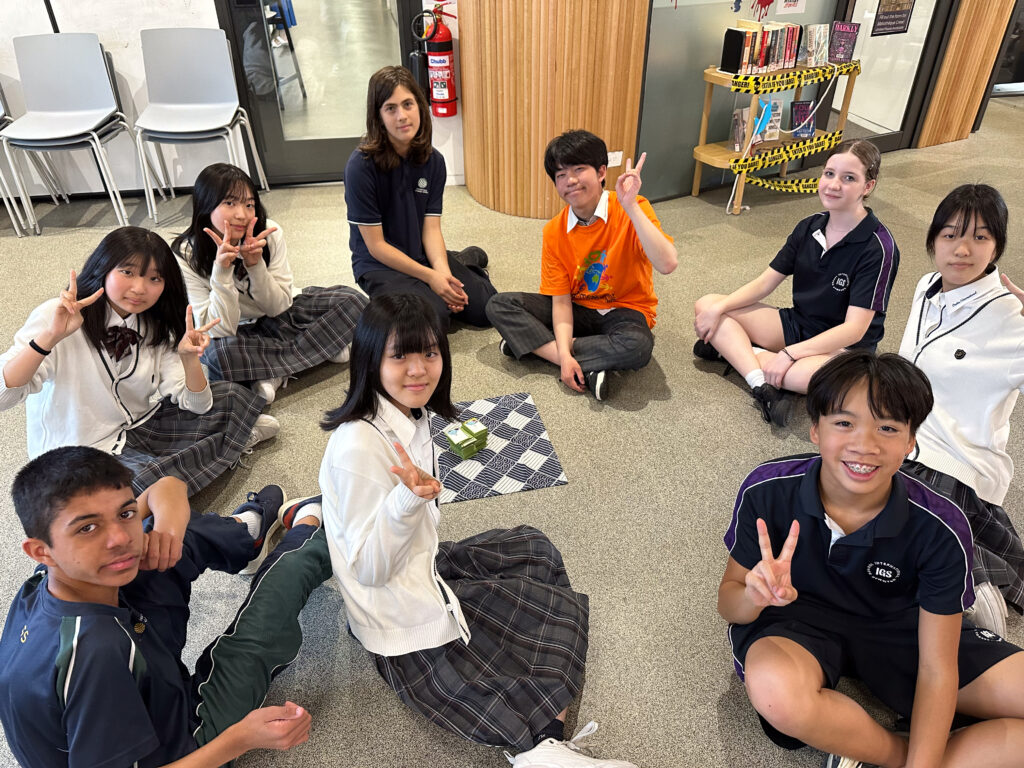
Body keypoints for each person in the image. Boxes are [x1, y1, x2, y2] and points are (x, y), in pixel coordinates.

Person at [318, 292, 636, 767]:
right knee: (512, 676)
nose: (419, 369)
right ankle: (543, 750)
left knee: (534, 549)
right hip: (398, 615)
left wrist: (413, 505)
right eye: (399, 355)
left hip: (423, 564)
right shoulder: (358, 450)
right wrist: (408, 501)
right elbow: (368, 569)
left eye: (429, 352)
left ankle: (543, 734)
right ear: (370, 361)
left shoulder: (408, 414)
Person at [718, 350, 1024, 768]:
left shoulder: (941, 525)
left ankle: (909, 742)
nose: (864, 445)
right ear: (815, 429)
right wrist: (755, 594)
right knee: (776, 691)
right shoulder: (767, 490)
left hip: (901, 624)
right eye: (843, 422)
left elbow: (937, 670)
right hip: (795, 620)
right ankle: (890, 751)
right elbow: (729, 604)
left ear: (912, 440)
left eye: (888, 427)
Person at [0, 445, 332, 768]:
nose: (119, 538)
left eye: (124, 513)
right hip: (182, 746)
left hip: (137, 684)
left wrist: (169, 526)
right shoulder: (96, 655)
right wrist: (241, 738)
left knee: (162, 539)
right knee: (261, 625)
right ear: (40, 551)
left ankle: (247, 534)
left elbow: (164, 489)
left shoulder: (45, 577)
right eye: (87, 528)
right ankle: (310, 530)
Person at [0, 226, 278, 496]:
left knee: (230, 395)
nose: (139, 288)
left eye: (154, 279)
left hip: (139, 427)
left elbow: (198, 404)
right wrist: (48, 338)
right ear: (103, 268)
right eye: (127, 272)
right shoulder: (57, 315)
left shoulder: (156, 324)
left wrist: (189, 359)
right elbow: (4, 397)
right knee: (142, 487)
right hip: (77, 454)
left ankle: (221, 446)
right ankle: (227, 444)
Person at [693, 139, 898, 427]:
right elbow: (766, 282)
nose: (833, 185)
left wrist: (790, 354)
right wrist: (719, 309)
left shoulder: (879, 246)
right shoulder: (809, 226)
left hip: (843, 350)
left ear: (868, 187)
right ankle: (762, 386)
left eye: (848, 178)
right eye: (829, 174)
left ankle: (738, 353)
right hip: (799, 324)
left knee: (815, 379)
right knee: (707, 306)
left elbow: (855, 329)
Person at [898, 183, 1024, 637]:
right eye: (950, 235)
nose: (963, 249)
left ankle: (974, 584)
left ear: (998, 247)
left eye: (981, 237)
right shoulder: (926, 286)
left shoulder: (1010, 319)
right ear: (932, 240)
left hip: (959, 457)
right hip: (905, 437)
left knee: (891, 506)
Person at [486, 129, 678, 402]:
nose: (571, 181)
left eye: (579, 169)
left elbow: (668, 263)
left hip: (625, 310)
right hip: (577, 309)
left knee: (638, 347)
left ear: (601, 172)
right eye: (561, 175)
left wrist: (631, 207)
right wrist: (563, 357)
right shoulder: (554, 231)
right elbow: (561, 303)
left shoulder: (633, 208)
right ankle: (588, 363)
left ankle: (533, 345)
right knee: (499, 305)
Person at [173, 162, 368, 404]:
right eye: (230, 203)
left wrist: (256, 267)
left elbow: (279, 307)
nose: (242, 214)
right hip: (238, 331)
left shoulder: (269, 232)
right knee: (216, 357)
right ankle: (318, 351)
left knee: (355, 302)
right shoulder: (186, 254)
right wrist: (222, 271)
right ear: (205, 205)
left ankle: (270, 370)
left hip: (282, 316)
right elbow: (218, 329)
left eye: (249, 204)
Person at [344, 65, 496, 333]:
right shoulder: (361, 166)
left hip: (420, 251)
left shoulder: (434, 161)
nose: (402, 116)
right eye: (390, 108)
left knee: (487, 308)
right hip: (379, 264)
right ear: (378, 116)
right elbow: (376, 246)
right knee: (433, 318)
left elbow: (431, 227)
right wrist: (431, 277)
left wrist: (443, 273)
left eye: (407, 104)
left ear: (420, 106)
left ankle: (456, 262)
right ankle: (460, 261)